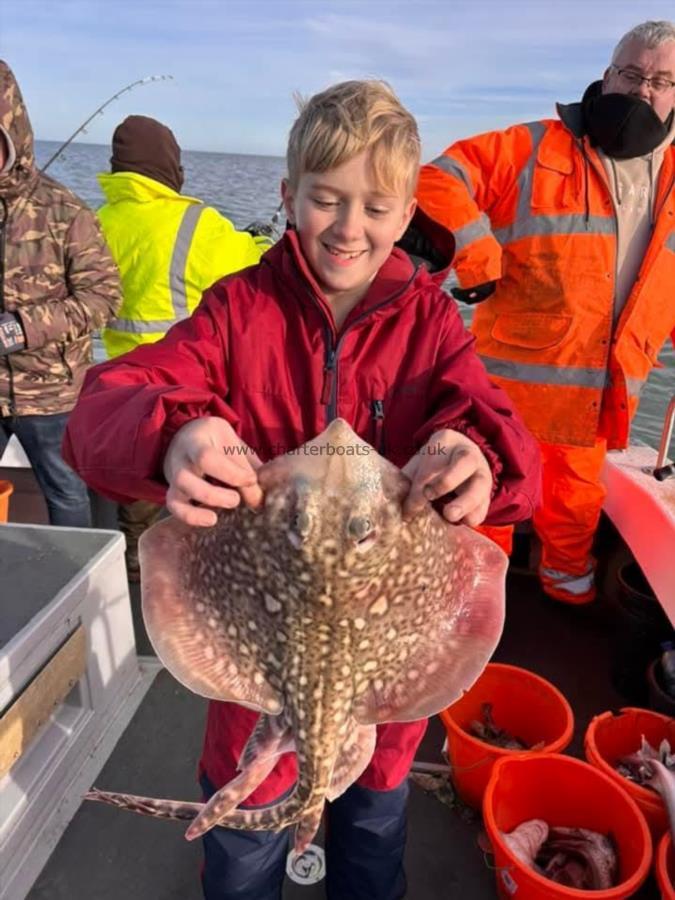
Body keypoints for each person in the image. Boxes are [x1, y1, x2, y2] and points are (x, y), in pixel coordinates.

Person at [64, 80, 541, 900]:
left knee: (370, 839)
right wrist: (170, 434)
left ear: (405, 214)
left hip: (385, 700)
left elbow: (509, 452)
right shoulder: (237, 311)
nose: (349, 228)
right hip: (257, 682)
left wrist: (478, 456)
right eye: (325, 200)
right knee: (243, 859)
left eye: (375, 208)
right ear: (287, 197)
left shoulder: (430, 327)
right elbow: (100, 410)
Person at [415, 19, 675, 606]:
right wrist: (476, 254)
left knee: (577, 502)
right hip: (505, 394)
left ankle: (568, 591)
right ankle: (477, 601)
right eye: (631, 74)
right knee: (485, 502)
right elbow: (435, 179)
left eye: (660, 80)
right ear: (607, 75)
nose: (642, 91)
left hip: (600, 400)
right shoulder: (528, 146)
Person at [97, 114, 272, 578]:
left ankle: (135, 561)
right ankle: (190, 567)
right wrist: (258, 238)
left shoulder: (95, 220)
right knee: (197, 484)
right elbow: (252, 269)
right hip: (184, 376)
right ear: (171, 166)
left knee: (136, 481)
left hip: (120, 378)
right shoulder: (196, 221)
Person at [0, 60, 121, 527]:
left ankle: (76, 587)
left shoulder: (66, 211)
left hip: (50, 395)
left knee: (66, 491)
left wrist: (22, 328)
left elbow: (105, 296)